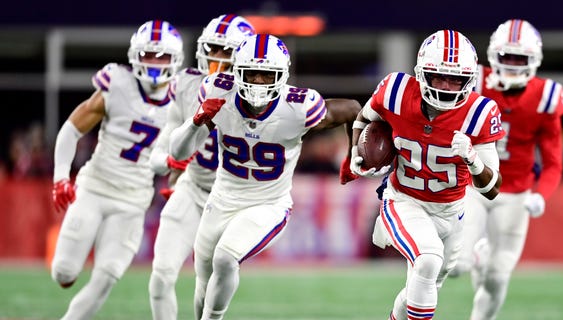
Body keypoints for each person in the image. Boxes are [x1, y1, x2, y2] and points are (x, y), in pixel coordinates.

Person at [169, 33, 361, 320]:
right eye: (252, 72)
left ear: (281, 76)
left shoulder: (299, 108)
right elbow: (178, 151)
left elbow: (353, 110)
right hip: (221, 198)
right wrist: (197, 122)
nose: (258, 81)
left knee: (226, 257)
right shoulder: (218, 93)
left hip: (268, 204)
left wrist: (351, 155)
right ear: (237, 72)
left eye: (266, 74)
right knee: (202, 277)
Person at [342, 29, 505, 320]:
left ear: (468, 81)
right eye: (438, 76)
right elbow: (365, 117)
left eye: (455, 79)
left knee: (420, 284)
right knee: (427, 260)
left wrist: (473, 160)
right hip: (405, 199)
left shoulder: (480, 112)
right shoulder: (395, 91)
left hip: (452, 212)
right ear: (421, 73)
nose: (445, 86)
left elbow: (492, 188)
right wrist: (356, 152)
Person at [50, 20, 183, 319]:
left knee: (107, 275)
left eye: (162, 56)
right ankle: (67, 270)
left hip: (133, 200)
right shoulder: (117, 83)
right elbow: (71, 129)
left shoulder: (181, 100)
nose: (154, 62)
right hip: (95, 186)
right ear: (135, 55)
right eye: (148, 54)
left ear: (176, 59)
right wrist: (60, 177)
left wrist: (178, 180)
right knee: (63, 273)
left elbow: (187, 153)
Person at [450, 19, 563, 320]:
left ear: (534, 61)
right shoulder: (472, 81)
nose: (512, 66)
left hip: (515, 192)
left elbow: (553, 160)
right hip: (474, 186)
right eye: (506, 57)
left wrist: (541, 194)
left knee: (498, 275)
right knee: (458, 264)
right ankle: (475, 255)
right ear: (492, 56)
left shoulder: (547, 97)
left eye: (520, 59)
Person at [147, 14, 255, 320]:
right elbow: (163, 144)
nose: (216, 58)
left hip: (230, 200)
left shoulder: (260, 97)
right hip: (192, 189)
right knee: (161, 275)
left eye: (226, 51)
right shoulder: (185, 85)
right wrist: (168, 161)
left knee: (205, 288)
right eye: (213, 48)